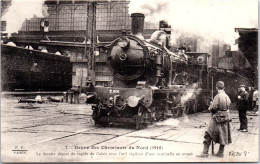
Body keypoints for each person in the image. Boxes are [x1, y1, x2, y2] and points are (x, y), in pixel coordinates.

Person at [197, 81, 232, 158]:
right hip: (225, 118)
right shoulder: (226, 96)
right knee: (224, 135)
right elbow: (229, 104)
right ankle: (220, 152)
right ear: (224, 88)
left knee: (208, 134)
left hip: (217, 118)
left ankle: (205, 153)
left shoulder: (217, 96)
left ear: (216, 88)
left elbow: (213, 108)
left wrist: (210, 106)